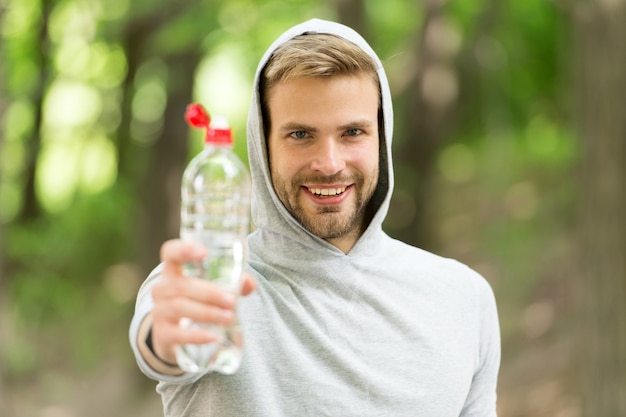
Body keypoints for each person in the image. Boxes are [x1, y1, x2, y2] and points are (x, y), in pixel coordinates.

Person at [129, 18, 500, 416]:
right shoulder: (208, 285)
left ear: (381, 137)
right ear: (262, 146)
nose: (329, 163)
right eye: (301, 135)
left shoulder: (464, 297)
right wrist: (164, 339)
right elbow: (165, 346)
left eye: (353, 132)